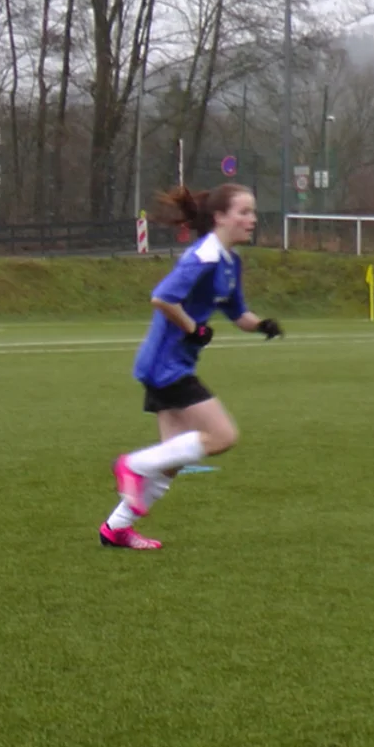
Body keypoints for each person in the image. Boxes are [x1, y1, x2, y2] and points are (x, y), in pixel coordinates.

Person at [103, 184, 282, 551]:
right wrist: (193, 328)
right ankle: (132, 465)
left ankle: (116, 528)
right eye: (244, 212)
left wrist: (262, 325)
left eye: (253, 212)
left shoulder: (230, 262)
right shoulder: (203, 257)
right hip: (166, 364)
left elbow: (237, 313)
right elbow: (163, 298)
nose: (252, 220)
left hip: (176, 361)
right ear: (220, 217)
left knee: (172, 459)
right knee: (222, 436)